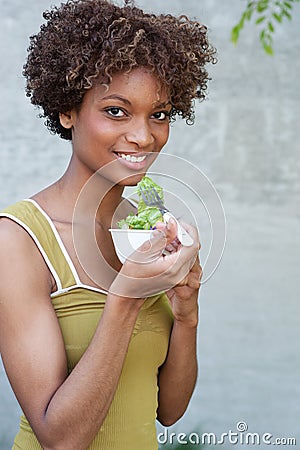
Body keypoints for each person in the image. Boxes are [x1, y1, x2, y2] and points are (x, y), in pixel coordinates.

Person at [0, 0, 216, 448]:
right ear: (67, 111)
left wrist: (186, 313)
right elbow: (61, 439)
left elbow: (169, 411)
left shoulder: (145, 232)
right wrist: (126, 298)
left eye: (159, 113)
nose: (143, 135)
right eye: (117, 110)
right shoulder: (17, 242)